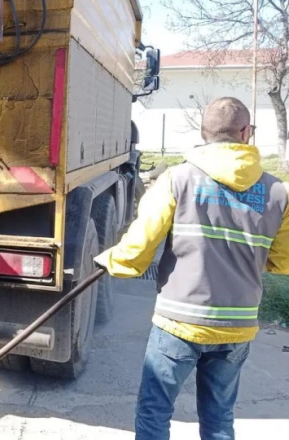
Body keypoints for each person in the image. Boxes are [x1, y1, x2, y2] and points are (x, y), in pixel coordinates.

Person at [95, 96, 289, 440]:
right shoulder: (277, 193)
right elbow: (282, 260)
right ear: (246, 132)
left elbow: (138, 251)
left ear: (203, 132)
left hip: (179, 323)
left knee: (155, 410)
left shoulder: (177, 180)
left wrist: (111, 260)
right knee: (218, 417)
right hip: (237, 326)